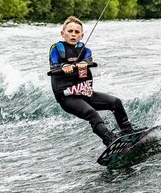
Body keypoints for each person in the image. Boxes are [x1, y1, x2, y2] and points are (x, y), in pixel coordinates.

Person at [49, 16, 135, 146]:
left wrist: (83, 63)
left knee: (116, 103)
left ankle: (128, 132)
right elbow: (54, 64)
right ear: (63, 33)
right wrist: (63, 66)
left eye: (77, 32)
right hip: (68, 97)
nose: (73, 34)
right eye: (70, 31)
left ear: (82, 36)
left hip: (85, 93)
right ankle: (110, 140)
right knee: (91, 113)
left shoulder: (85, 50)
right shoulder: (56, 49)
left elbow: (88, 60)